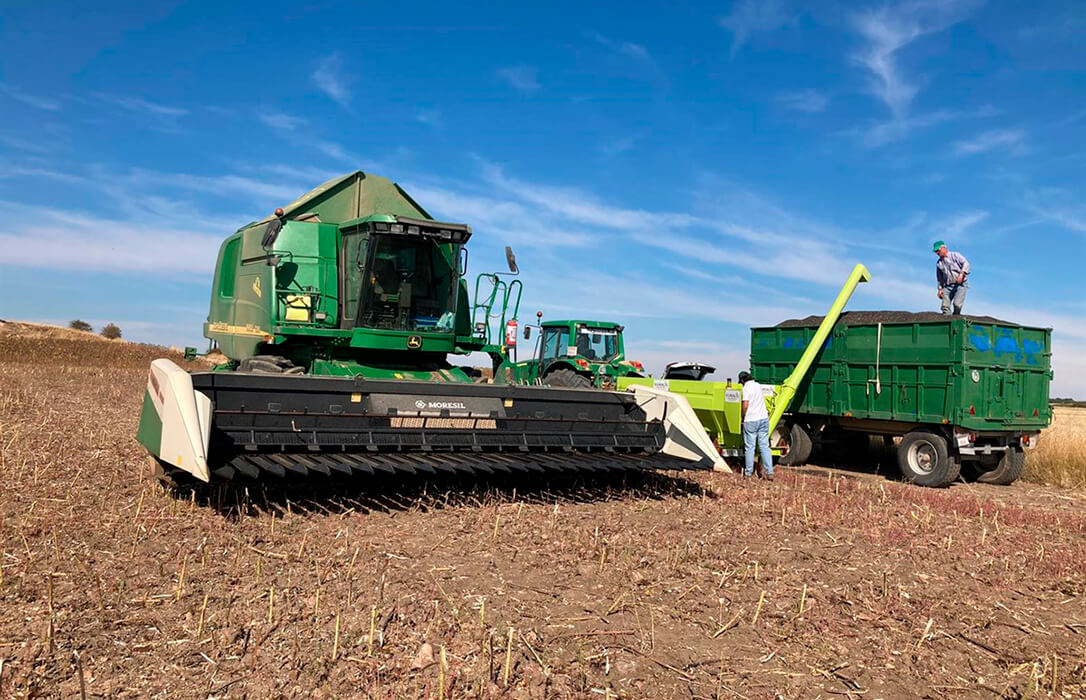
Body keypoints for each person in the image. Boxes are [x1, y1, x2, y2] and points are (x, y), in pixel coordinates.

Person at [738, 371, 773, 481]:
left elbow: (745, 405)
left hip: (751, 420)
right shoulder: (758, 386)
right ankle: (770, 472)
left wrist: (742, 417)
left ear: (743, 380)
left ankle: (748, 473)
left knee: (750, 448)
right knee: (764, 446)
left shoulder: (746, 389)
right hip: (763, 419)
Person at [933, 240, 970, 315]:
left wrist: (962, 274)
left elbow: (966, 263)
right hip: (948, 286)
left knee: (957, 305)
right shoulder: (939, 263)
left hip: (960, 284)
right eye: (935, 251)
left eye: (938, 250)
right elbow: (939, 278)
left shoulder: (955, 255)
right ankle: (947, 321)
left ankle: (956, 318)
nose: (937, 253)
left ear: (943, 248)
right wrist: (940, 289)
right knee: (945, 306)